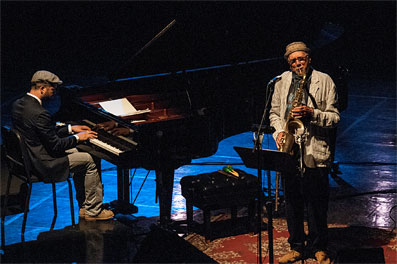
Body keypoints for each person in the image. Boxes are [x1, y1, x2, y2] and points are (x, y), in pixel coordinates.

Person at [269, 42, 340, 264]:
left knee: (317, 203)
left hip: (314, 149)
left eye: (301, 59)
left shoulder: (324, 80)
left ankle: (319, 247)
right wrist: (279, 132)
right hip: (290, 148)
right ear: (288, 63)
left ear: (309, 59)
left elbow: (335, 117)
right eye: (293, 61)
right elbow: (274, 113)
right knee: (292, 201)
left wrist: (312, 114)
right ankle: (297, 246)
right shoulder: (282, 81)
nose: (298, 63)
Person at [11, 70, 114, 221]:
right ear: (42, 89)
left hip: (28, 158)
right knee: (89, 159)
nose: (54, 93)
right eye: (53, 89)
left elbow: (45, 133)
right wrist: (78, 137)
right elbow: (55, 146)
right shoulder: (40, 113)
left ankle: (85, 206)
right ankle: (93, 211)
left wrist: (71, 129)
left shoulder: (18, 104)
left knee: (78, 151)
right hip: (44, 163)